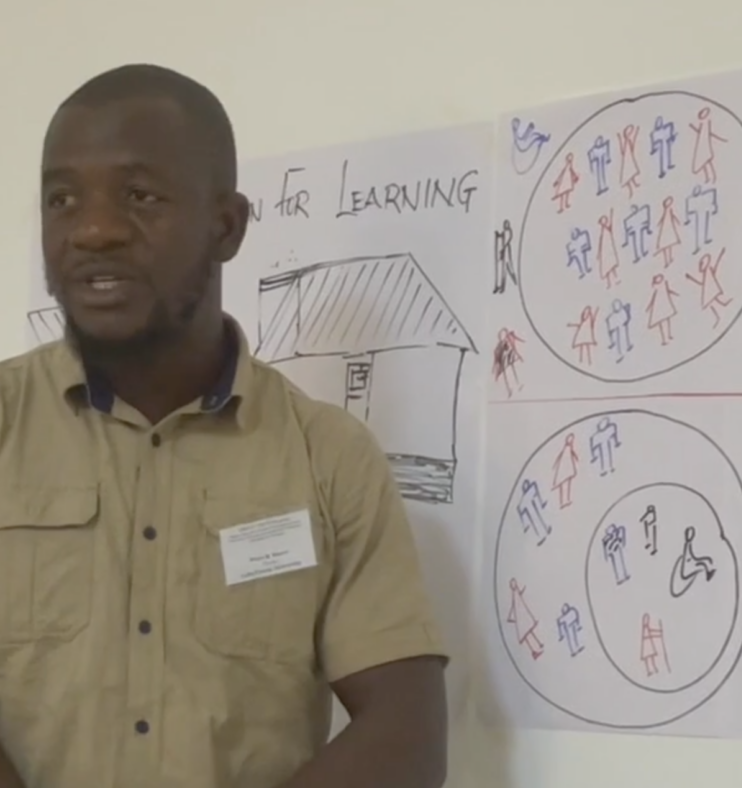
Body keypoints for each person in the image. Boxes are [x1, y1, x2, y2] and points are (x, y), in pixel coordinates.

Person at [0, 64, 448, 788]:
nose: (93, 229)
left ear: (226, 225)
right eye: (62, 198)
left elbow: (405, 732)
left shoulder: (328, 458)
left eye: (139, 196)